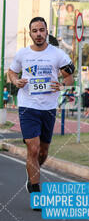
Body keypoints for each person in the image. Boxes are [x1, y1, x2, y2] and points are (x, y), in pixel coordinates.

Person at [7, 17, 74, 209]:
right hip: (28, 105)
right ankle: (36, 192)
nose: (38, 34)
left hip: (48, 107)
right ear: (30, 33)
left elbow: (69, 78)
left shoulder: (58, 54)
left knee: (43, 151)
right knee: (33, 148)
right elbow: (11, 72)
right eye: (35, 30)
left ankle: (31, 177)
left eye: (41, 30)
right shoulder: (22, 54)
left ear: (46, 32)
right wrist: (15, 81)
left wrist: (61, 85)